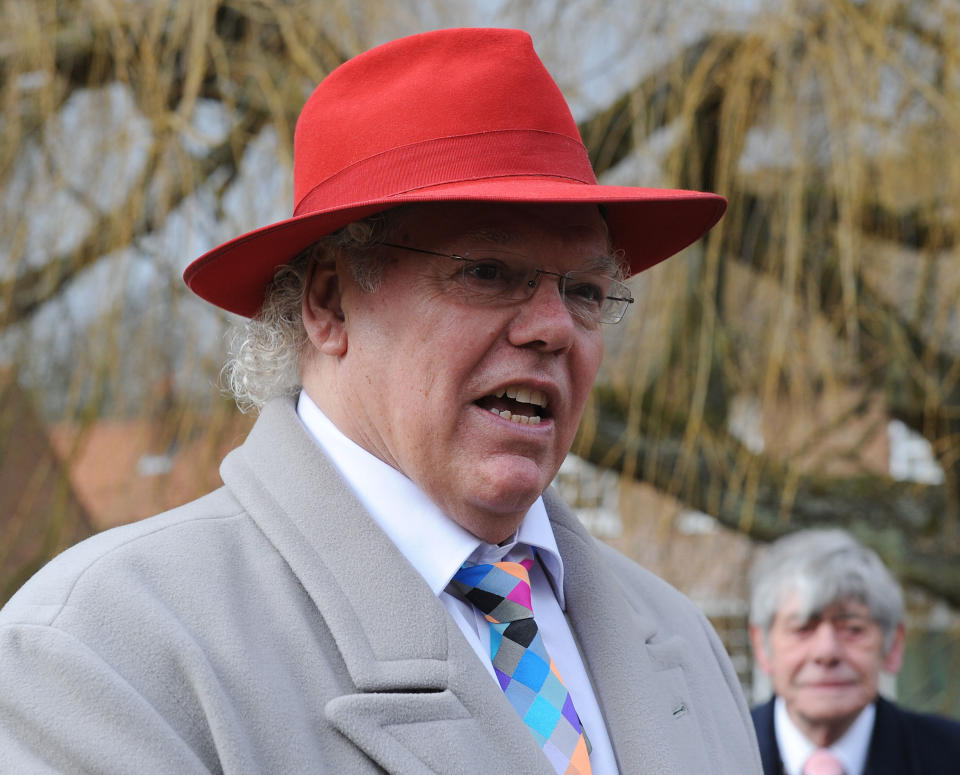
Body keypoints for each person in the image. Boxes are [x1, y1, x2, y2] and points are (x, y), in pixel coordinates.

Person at [0, 28, 761, 774]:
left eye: (587, 290)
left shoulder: (683, 643)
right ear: (329, 302)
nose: (554, 327)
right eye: (490, 271)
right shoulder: (107, 649)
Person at [748, 528, 960, 775]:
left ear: (893, 647)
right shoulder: (705, 756)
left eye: (852, 629)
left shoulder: (951, 755)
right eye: (803, 628)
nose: (826, 652)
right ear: (762, 646)